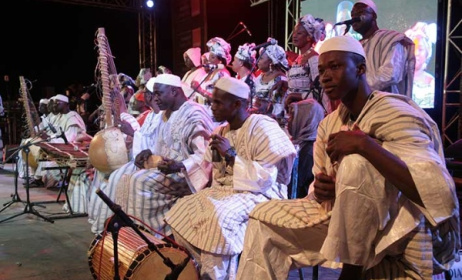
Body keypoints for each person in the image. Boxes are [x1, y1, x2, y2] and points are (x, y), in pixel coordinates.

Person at [236, 35, 459, 279]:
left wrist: (365, 145)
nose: (326, 76)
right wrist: (321, 190)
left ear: (361, 69)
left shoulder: (396, 113)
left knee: (355, 162)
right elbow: (320, 183)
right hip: (343, 217)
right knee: (262, 219)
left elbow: (435, 193)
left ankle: (351, 273)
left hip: (400, 223)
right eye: (321, 70)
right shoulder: (329, 124)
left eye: (335, 66)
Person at [165, 77, 296, 279]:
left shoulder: (262, 126)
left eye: (217, 102)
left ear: (236, 104)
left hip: (261, 194)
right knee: (181, 209)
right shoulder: (221, 131)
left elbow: (267, 178)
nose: (212, 107)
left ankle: (217, 275)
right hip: (227, 192)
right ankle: (208, 270)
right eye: (211, 102)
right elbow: (216, 176)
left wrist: (232, 155)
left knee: (218, 216)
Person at [88, 74, 214, 234]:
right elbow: (160, 147)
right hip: (165, 170)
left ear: (174, 92)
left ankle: (151, 234)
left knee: (138, 181)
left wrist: (180, 166)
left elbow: (205, 156)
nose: (154, 98)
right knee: (125, 179)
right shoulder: (165, 114)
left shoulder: (194, 114)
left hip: (185, 178)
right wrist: (148, 153)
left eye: (158, 94)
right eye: (153, 94)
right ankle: (127, 232)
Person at [351, 0, 415, 97]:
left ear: (374, 16)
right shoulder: (355, 46)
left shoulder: (392, 39)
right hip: (360, 108)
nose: (354, 18)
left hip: (387, 107)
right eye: (352, 15)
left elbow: (390, 74)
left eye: (360, 12)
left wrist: (358, 89)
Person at [285, 14, 332, 114]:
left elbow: (321, 93)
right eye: (294, 33)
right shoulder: (298, 59)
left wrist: (296, 96)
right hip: (296, 112)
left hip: (310, 114)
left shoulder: (314, 59)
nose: (294, 36)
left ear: (309, 37)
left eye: (299, 33)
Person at [287, 99, 325, 199]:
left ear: (305, 120)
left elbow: (294, 188)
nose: (288, 120)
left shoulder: (308, 152)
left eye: (293, 116)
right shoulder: (300, 144)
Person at [252, 39, 289, 120]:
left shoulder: (281, 80)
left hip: (273, 122)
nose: (258, 61)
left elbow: (279, 107)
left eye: (261, 58)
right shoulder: (259, 78)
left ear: (271, 61)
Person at [405, 21, 437, 108]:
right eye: (413, 48)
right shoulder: (399, 79)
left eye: (420, 49)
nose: (416, 53)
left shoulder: (432, 82)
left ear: (427, 53)